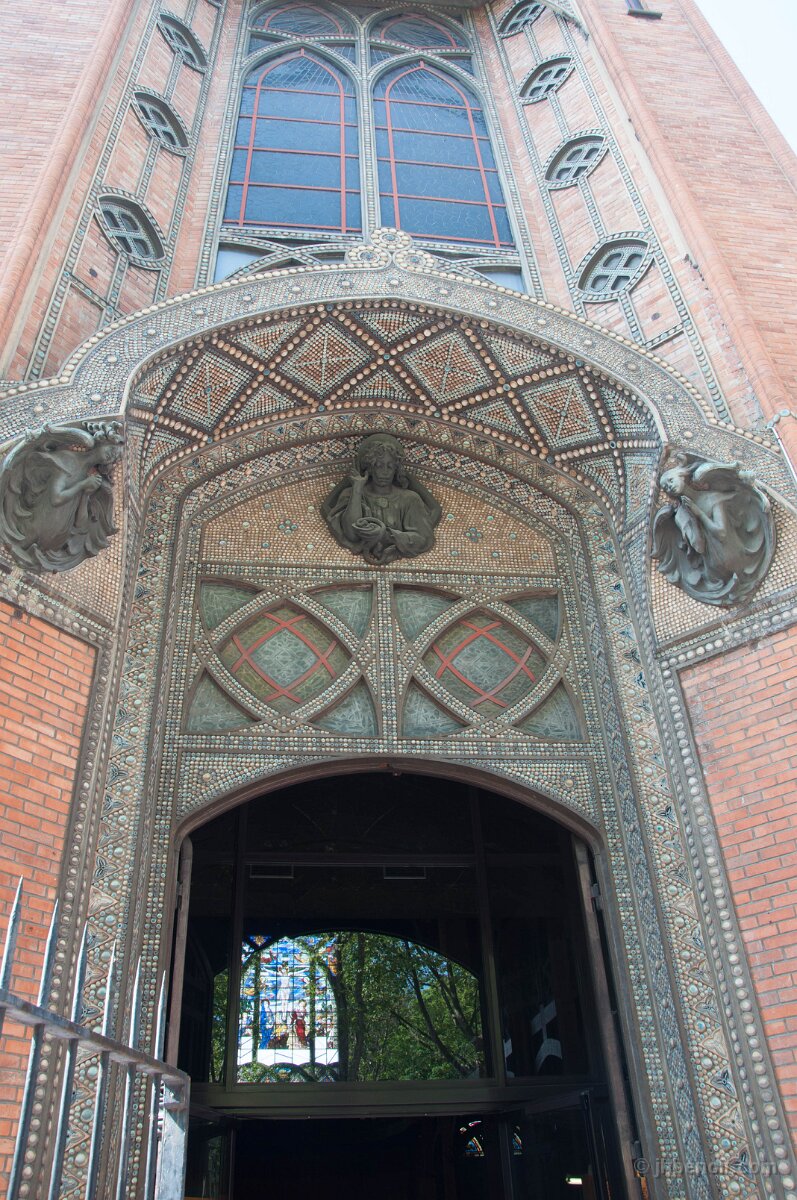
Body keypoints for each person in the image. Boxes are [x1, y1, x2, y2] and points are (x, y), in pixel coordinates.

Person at [322, 433, 441, 565]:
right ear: (370, 467)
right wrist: (357, 488)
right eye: (379, 465)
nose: (384, 472)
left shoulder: (410, 499)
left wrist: (387, 535)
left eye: (390, 466)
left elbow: (423, 539)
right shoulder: (350, 494)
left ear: (396, 469)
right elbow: (351, 533)